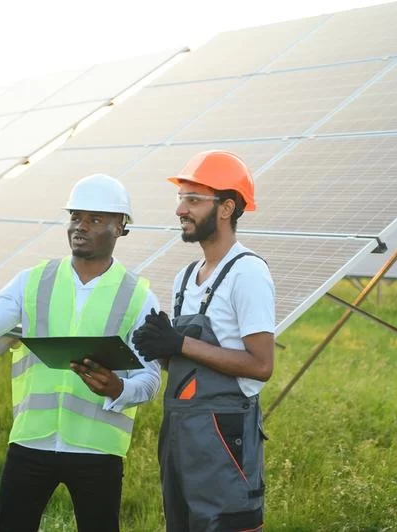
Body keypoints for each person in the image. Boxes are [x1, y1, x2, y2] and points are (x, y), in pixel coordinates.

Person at [0, 173, 161, 532]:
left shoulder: (139, 297)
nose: (81, 226)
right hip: (31, 441)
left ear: (121, 227)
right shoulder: (32, 280)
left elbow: (151, 378)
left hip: (98, 450)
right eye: (76, 217)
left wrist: (118, 389)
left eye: (95, 219)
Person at [133, 150, 275, 531]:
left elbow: (262, 366)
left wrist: (180, 344)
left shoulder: (248, 274)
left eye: (193, 200)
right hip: (180, 436)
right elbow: (187, 364)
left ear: (227, 208)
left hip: (225, 438)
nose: (181, 210)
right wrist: (160, 349)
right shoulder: (185, 276)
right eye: (181, 199)